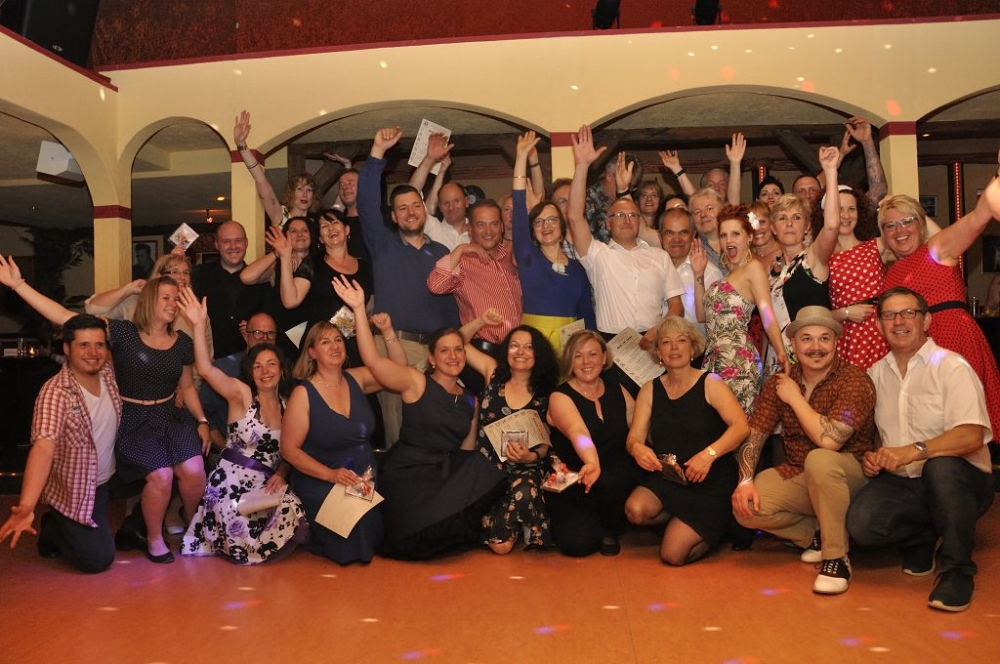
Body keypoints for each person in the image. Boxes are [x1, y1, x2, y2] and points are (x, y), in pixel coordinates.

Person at [0, 258, 210, 564]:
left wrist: (202, 420)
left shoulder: (182, 342)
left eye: (176, 298)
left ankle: (195, 525)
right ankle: (153, 538)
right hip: (135, 421)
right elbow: (68, 319)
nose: (172, 303)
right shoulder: (124, 333)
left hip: (169, 416)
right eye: (166, 296)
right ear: (149, 300)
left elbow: (188, 386)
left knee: (194, 470)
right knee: (161, 476)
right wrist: (19, 285)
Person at [847, 287, 995, 612]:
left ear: (926, 321)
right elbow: (877, 435)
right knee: (861, 525)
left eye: (908, 313)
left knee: (940, 467)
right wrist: (873, 456)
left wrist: (914, 451)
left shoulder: (952, 367)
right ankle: (923, 537)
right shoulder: (874, 374)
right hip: (905, 481)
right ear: (879, 325)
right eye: (889, 315)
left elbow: (972, 435)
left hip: (963, 482)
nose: (899, 321)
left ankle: (957, 571)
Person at [336, 276, 504, 560]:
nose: (453, 356)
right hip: (408, 473)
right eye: (444, 350)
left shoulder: (471, 400)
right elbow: (374, 362)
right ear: (432, 359)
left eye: (459, 349)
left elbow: (465, 454)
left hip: (440, 473)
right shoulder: (416, 382)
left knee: (479, 465)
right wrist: (359, 310)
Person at [733, 306, 877, 595]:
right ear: (794, 344)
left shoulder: (855, 381)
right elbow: (755, 435)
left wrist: (795, 398)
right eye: (807, 339)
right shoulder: (781, 381)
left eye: (824, 338)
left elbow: (830, 441)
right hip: (801, 473)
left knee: (820, 459)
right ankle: (819, 534)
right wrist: (744, 480)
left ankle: (836, 558)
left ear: (836, 342)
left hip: (852, 477)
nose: (816, 347)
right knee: (747, 507)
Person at [177, 289, 306, 564]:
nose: (265, 371)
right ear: (250, 372)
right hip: (230, 485)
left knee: (293, 508)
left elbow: (292, 450)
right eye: (257, 366)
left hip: (265, 485)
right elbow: (206, 369)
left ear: (282, 370)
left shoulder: (289, 405)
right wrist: (198, 325)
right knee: (242, 537)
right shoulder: (241, 395)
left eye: (271, 364)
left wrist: (281, 473)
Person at [358, 125, 460, 445]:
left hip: (435, 352)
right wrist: (377, 152)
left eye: (415, 205)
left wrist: (455, 344)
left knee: (437, 426)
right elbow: (366, 205)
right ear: (394, 216)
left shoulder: (441, 253)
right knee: (400, 430)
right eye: (402, 208)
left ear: (424, 210)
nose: (410, 212)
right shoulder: (383, 245)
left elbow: (450, 305)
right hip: (395, 347)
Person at [878, 181, 1000, 439]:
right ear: (883, 234)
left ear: (920, 224)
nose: (900, 230)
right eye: (890, 225)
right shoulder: (889, 273)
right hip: (912, 350)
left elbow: (978, 218)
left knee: (964, 422)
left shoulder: (936, 249)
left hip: (952, 338)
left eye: (907, 221)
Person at [278, 309, 401, 565]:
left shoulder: (357, 378)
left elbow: (397, 370)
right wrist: (331, 475)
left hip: (364, 476)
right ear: (312, 352)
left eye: (338, 340)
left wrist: (388, 332)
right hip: (322, 478)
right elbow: (289, 450)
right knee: (355, 534)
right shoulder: (303, 394)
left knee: (384, 523)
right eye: (325, 342)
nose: (335, 346)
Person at [0, 314, 121, 573]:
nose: (93, 352)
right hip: (75, 489)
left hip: (108, 478)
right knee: (98, 560)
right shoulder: (55, 393)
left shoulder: (107, 372)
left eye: (99, 345)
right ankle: (53, 525)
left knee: (158, 471)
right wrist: (27, 505)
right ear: (67, 348)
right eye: (84, 345)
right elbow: (43, 447)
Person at [568, 125, 685, 388]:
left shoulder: (659, 256)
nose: (627, 219)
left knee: (654, 409)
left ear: (640, 221)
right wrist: (581, 166)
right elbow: (574, 217)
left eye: (632, 215)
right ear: (607, 223)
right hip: (612, 349)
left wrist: (659, 329)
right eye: (619, 215)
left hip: (653, 346)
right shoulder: (598, 255)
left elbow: (677, 306)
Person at [625, 318, 748, 565]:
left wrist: (708, 455)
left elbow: (741, 427)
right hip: (672, 477)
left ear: (692, 348)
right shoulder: (650, 389)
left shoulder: (711, 383)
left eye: (681, 341)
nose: (674, 348)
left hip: (710, 479)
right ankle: (681, 521)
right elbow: (634, 437)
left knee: (672, 555)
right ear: (658, 353)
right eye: (666, 342)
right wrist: (637, 448)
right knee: (635, 510)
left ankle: (718, 524)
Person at [463, 317, 559, 554]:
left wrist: (530, 457)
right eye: (514, 346)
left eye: (528, 347)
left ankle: (519, 516)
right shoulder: (493, 373)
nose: (521, 352)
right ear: (506, 350)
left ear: (538, 354)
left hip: (525, 468)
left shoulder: (546, 394)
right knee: (501, 548)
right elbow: (459, 341)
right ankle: (517, 520)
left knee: (525, 492)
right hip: (487, 468)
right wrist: (481, 321)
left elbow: (545, 442)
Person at [547, 331, 638, 556]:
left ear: (604, 358)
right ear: (570, 361)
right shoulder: (559, 396)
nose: (586, 362)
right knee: (577, 545)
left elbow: (639, 427)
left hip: (613, 478)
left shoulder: (619, 389)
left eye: (593, 354)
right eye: (578, 356)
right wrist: (592, 462)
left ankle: (610, 528)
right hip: (574, 477)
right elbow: (578, 432)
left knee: (615, 477)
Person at [694, 205, 789, 412]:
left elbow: (767, 314)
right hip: (713, 361)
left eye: (735, 234)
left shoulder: (753, 268)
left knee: (738, 426)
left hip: (738, 363)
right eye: (724, 235)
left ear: (749, 238)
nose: (729, 240)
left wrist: (781, 352)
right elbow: (702, 316)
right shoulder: (727, 276)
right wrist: (698, 275)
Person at [509, 131, 594, 356]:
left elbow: (587, 316)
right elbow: (519, 206)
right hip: (532, 345)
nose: (545, 226)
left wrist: (591, 349)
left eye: (551, 220)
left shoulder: (578, 268)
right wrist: (521, 158)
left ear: (562, 227)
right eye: (538, 222)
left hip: (570, 347)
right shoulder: (528, 259)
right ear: (532, 231)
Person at [765, 146, 842, 375]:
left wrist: (830, 172)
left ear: (807, 226)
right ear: (773, 228)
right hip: (778, 362)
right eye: (782, 218)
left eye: (796, 217)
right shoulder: (771, 272)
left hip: (814, 360)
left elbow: (831, 226)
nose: (789, 223)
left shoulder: (813, 259)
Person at [824, 185, 888, 370]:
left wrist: (898, 207)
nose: (846, 215)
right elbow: (816, 314)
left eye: (851, 209)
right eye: (839, 209)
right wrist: (845, 313)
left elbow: (922, 239)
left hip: (881, 331)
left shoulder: (876, 246)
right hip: (846, 336)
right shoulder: (821, 257)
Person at [191, 220, 268, 358]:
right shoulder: (199, 274)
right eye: (226, 241)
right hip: (209, 359)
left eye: (238, 240)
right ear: (216, 244)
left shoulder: (262, 278)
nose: (233, 246)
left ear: (246, 243)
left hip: (250, 360)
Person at [233, 110, 320, 228]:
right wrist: (241, 145)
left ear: (314, 196)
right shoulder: (281, 216)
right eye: (299, 189)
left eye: (309, 190)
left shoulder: (315, 225)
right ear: (291, 193)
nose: (305, 194)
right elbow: (261, 181)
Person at [659, 207, 722, 337]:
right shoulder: (652, 269)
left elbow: (717, 325)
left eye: (683, 232)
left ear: (693, 235)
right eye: (669, 233)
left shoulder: (709, 273)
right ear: (660, 236)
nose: (677, 239)